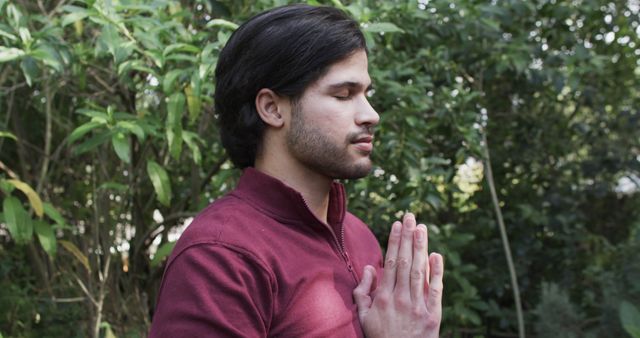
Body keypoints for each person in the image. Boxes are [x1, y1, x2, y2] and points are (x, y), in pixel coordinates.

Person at [149, 4, 444, 337]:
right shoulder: (220, 256)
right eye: (344, 94)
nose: (371, 114)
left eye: (366, 93)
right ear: (273, 108)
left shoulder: (358, 236)